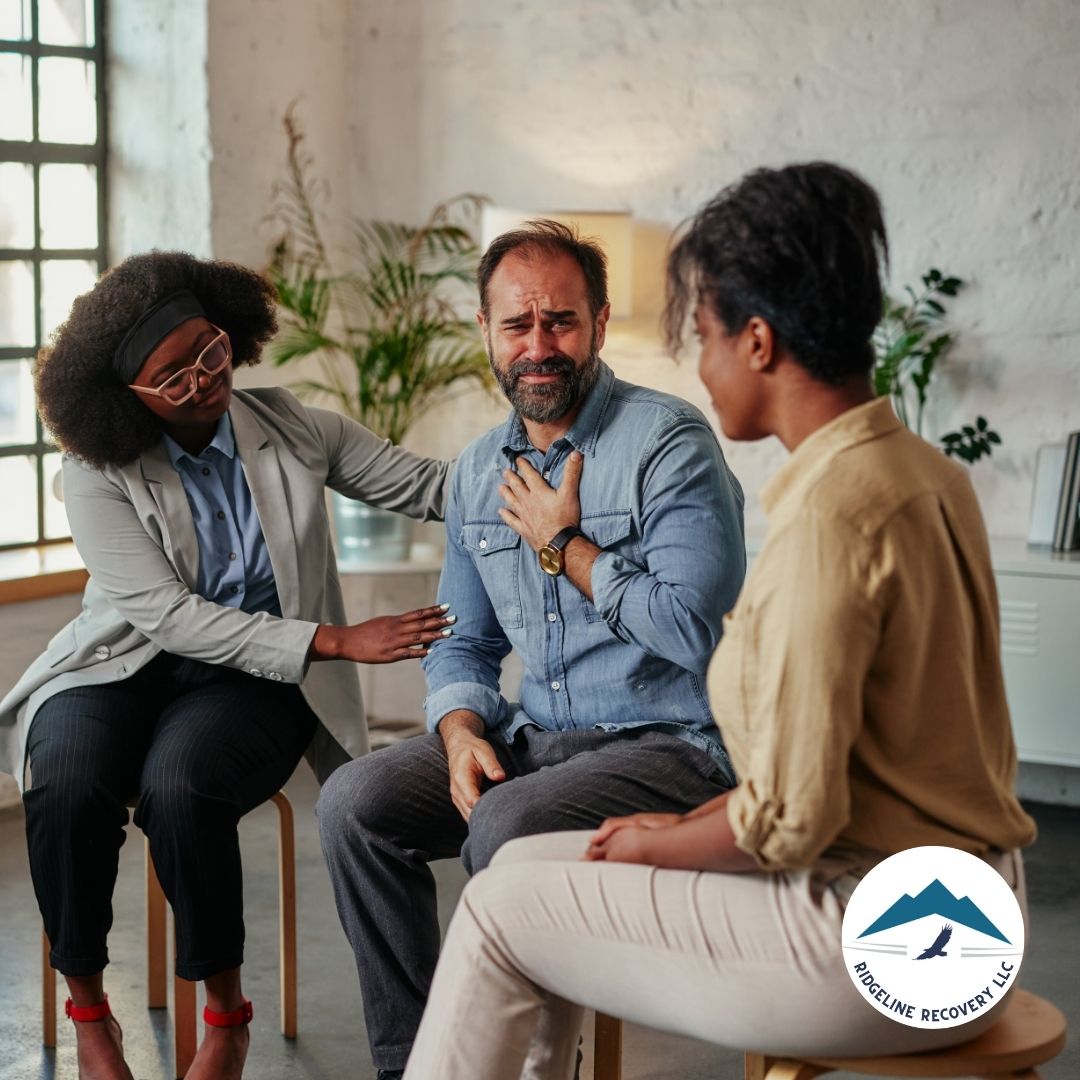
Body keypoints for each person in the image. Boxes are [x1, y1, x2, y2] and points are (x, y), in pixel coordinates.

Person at [400, 163, 1039, 1080]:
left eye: (700, 337)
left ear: (758, 340)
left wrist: (663, 836)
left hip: (893, 941)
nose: (698, 365)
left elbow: (786, 818)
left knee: (502, 904)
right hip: (973, 906)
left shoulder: (826, 519)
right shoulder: (921, 473)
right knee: (516, 866)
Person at [0, 252, 455, 1080]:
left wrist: (555, 477)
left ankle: (226, 1014)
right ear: (125, 398)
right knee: (64, 781)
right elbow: (167, 617)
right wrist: (335, 639)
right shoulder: (95, 471)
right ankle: (92, 1017)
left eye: (209, 352)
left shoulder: (295, 427)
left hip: (252, 680)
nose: (203, 381)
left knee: (182, 789)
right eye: (172, 377)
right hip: (120, 665)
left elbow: (428, 485)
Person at [316, 220, 746, 1079]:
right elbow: (462, 641)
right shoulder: (480, 471)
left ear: (598, 321)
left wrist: (567, 548)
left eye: (561, 321)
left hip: (670, 747)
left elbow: (692, 627)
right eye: (518, 325)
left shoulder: (668, 444)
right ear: (486, 332)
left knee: (509, 823)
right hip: (536, 738)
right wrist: (461, 731)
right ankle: (418, 1065)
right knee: (354, 803)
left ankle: (521, 1066)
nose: (539, 346)